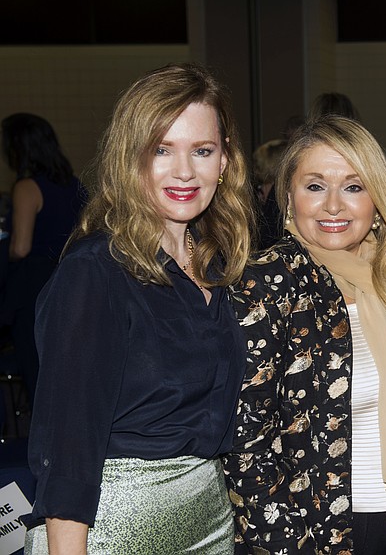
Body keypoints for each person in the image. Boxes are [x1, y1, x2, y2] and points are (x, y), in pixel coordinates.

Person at [23, 62, 254, 554]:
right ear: (131, 158)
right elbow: (67, 447)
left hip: (210, 524)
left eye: (202, 150)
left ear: (225, 161)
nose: (185, 172)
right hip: (114, 530)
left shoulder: (217, 266)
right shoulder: (96, 272)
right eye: (161, 150)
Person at [223, 115, 386, 554]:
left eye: (353, 186)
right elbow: (243, 442)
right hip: (319, 531)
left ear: (377, 199)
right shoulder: (269, 285)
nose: (333, 205)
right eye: (315, 186)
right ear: (288, 197)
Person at [0, 113, 87, 405]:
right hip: (73, 285)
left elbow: (21, 248)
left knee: (37, 375)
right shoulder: (75, 185)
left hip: (34, 289)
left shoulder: (27, 187)